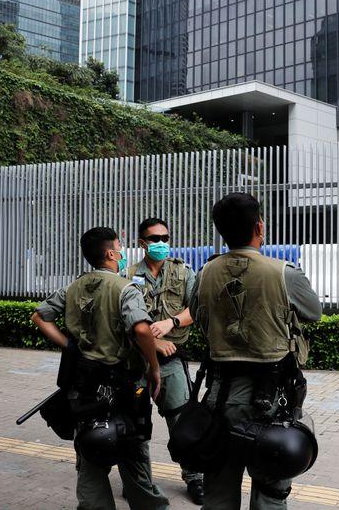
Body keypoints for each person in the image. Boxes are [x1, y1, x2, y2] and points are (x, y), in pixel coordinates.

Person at [190, 193, 322, 510]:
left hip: (220, 397)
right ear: (259, 226)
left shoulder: (204, 274)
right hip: (272, 401)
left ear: (220, 230)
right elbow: (313, 312)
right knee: (271, 494)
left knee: (219, 494)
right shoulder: (284, 273)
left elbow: (195, 312)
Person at [31, 227, 169, 510]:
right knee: (134, 458)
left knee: (91, 456)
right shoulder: (125, 288)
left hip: (84, 388)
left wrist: (71, 346)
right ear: (110, 253)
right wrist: (154, 367)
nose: (122, 252)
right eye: (119, 247)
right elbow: (142, 330)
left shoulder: (74, 287)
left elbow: (39, 316)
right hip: (124, 387)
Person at [123, 217, 204, 504]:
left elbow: (198, 308)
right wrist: (153, 341)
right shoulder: (127, 275)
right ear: (142, 243)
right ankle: (139, 482)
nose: (161, 244)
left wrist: (172, 322)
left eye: (165, 238)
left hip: (172, 363)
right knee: (136, 426)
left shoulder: (182, 272)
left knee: (183, 421)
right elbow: (121, 320)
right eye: (154, 239)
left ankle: (195, 478)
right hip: (137, 363)